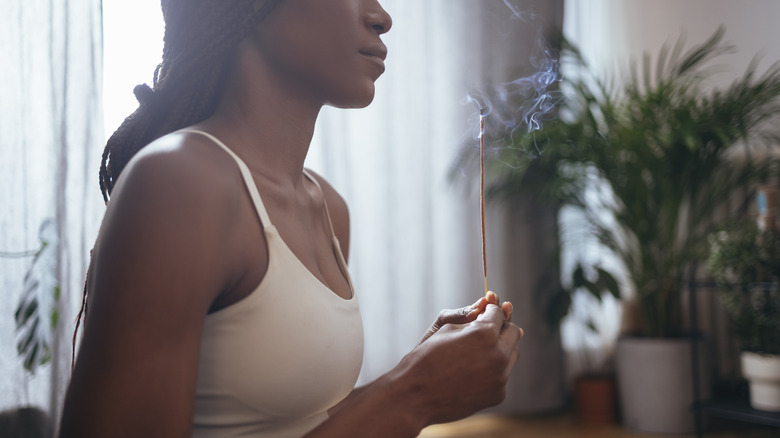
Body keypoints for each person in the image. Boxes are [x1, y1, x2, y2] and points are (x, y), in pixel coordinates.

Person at [58, 0, 524, 437]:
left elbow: (294, 424)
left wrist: (422, 370)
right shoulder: (179, 183)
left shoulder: (327, 207)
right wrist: (412, 394)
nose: (382, 16)